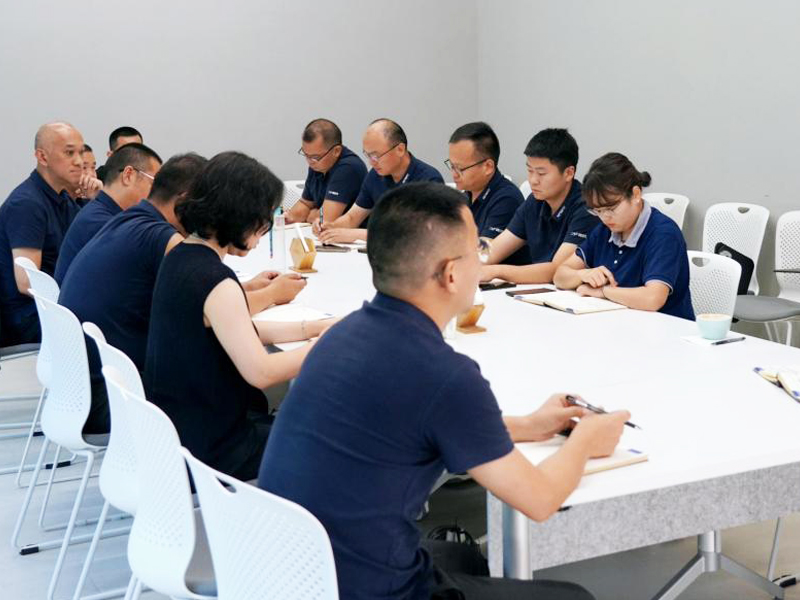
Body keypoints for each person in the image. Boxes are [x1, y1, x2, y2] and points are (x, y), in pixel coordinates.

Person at [259, 181, 628, 599]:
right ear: (452, 274)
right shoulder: (443, 374)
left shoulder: (341, 334)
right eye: (478, 250)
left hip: (291, 573)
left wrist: (529, 425)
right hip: (368, 589)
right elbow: (540, 500)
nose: (482, 259)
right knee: (573, 596)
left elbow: (423, 425)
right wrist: (585, 440)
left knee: (461, 557)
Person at [145, 151, 336, 480]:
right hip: (214, 448)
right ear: (240, 216)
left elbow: (241, 331)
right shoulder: (215, 280)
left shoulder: (181, 258)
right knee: (333, 442)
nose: (263, 232)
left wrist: (313, 327)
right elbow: (262, 372)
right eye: (262, 221)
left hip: (178, 433)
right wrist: (327, 346)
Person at [553, 152, 694, 320]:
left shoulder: (663, 234)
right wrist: (581, 275)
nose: (605, 217)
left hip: (664, 328)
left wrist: (603, 291)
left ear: (636, 194)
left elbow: (653, 298)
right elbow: (559, 276)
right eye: (598, 211)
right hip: (617, 323)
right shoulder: (604, 230)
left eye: (611, 209)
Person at [0, 122, 93, 345]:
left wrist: (96, 202)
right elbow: (26, 281)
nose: (79, 161)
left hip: (54, 307)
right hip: (30, 317)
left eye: (81, 152)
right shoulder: (27, 204)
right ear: (42, 157)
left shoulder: (64, 199)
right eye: (69, 153)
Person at [480, 129, 599, 284]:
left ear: (569, 173)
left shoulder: (586, 207)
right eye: (530, 171)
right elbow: (494, 248)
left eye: (541, 174)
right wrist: (465, 261)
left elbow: (557, 269)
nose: (533, 180)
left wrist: (497, 271)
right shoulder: (535, 201)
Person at [316, 118, 443, 243]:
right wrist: (330, 227)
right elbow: (352, 218)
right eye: (368, 155)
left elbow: (418, 233)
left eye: (376, 155)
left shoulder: (429, 180)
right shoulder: (375, 175)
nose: (371, 162)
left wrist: (358, 234)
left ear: (400, 149)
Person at [55, 143, 163, 284]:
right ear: (128, 175)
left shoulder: (103, 212)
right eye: (154, 184)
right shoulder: (102, 223)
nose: (156, 194)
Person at [446, 122, 527, 263]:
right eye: (451, 166)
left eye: (460, 168)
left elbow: (482, 255)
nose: (454, 174)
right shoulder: (466, 196)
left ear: (488, 167)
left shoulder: (507, 199)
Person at [284, 119, 367, 226]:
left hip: (356, 234)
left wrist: (311, 215)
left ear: (336, 151)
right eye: (306, 155)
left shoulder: (348, 168)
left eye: (315, 157)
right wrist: (289, 217)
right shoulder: (318, 164)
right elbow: (305, 204)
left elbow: (326, 219)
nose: (309, 161)